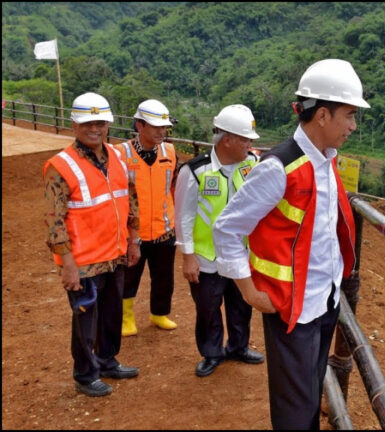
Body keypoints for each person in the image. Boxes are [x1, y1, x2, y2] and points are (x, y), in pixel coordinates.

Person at [212, 59, 368, 429]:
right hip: (291, 308)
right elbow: (227, 228)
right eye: (348, 115)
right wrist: (249, 292)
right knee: (294, 410)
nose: (353, 125)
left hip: (324, 300)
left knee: (311, 393)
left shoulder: (327, 162)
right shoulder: (279, 167)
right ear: (323, 116)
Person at [43, 92, 141, 397]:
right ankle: (85, 375)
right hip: (83, 262)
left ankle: (108, 360)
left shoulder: (119, 158)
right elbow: (53, 219)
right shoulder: (60, 166)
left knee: (111, 313)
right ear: (74, 125)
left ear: (108, 124)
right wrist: (67, 263)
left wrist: (133, 240)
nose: (94, 128)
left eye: (100, 122)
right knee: (86, 318)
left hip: (114, 253)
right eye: (88, 123)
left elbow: (131, 201)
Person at [174, 104, 265, 377]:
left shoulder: (253, 164)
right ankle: (212, 353)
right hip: (207, 258)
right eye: (245, 139)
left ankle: (238, 347)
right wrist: (187, 257)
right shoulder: (195, 171)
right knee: (208, 308)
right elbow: (184, 217)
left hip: (240, 254)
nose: (249, 145)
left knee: (241, 305)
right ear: (227, 139)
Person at [114, 99, 179, 336]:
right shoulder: (120, 154)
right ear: (140, 126)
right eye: (156, 127)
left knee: (164, 277)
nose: (162, 132)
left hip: (163, 229)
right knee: (129, 276)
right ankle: (126, 318)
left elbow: (173, 187)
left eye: (164, 127)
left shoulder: (169, 152)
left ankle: (159, 314)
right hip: (133, 232)